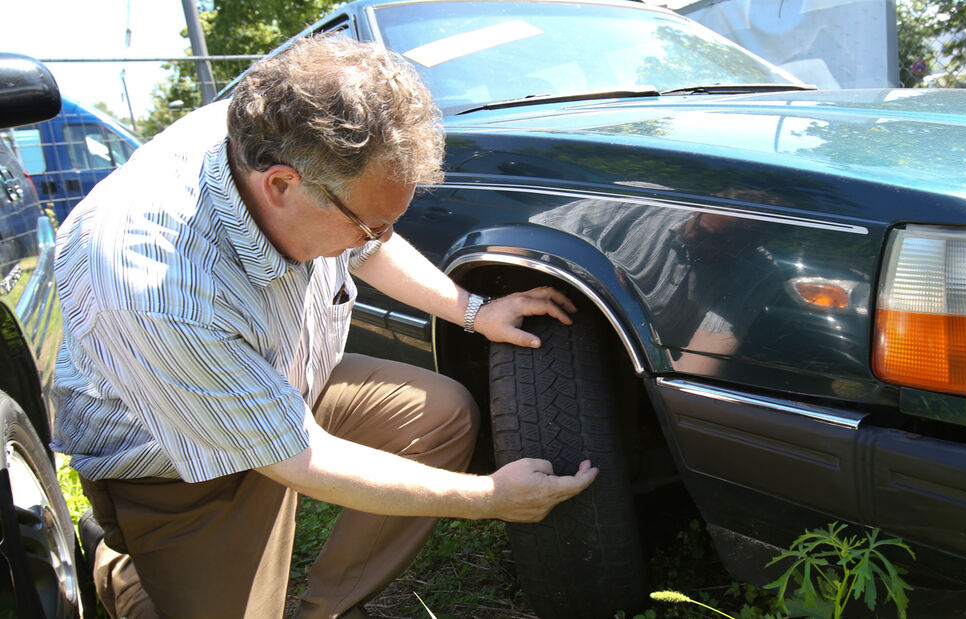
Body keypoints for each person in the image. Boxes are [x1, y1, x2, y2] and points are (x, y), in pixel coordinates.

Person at [50, 35, 598, 619]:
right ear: (282, 185)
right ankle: (121, 562)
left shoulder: (284, 138)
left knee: (439, 416)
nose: (378, 240)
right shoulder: (155, 288)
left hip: (282, 384)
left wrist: (473, 310)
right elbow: (299, 457)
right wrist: (490, 499)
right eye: (369, 224)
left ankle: (321, 610)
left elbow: (367, 247)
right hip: (174, 461)